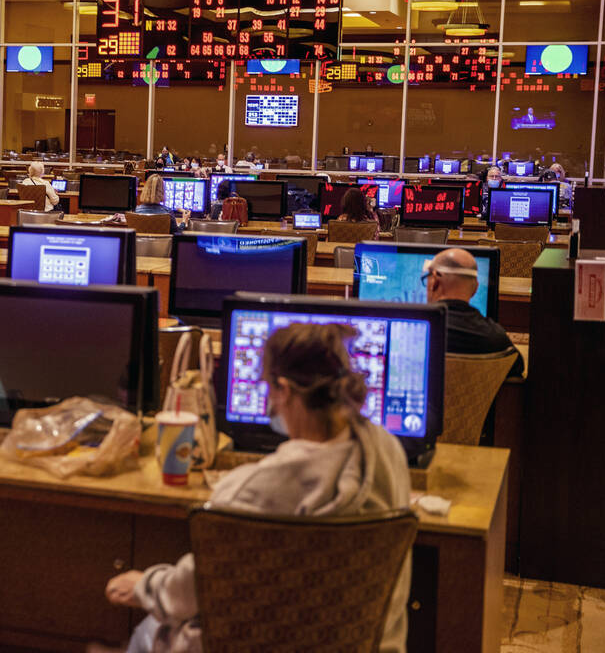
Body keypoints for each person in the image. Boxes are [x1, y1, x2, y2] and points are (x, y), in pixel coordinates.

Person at [102, 323, 411, 653]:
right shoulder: (388, 452)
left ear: (283, 389)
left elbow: (196, 586)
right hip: (367, 644)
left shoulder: (256, 487)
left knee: (148, 631)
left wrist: (148, 585)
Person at [424, 248, 523, 377]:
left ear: (434, 282)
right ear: (475, 288)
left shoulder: (413, 334)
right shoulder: (496, 339)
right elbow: (517, 368)